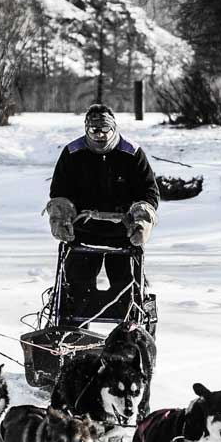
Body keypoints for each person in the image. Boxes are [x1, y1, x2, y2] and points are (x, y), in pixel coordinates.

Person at [44, 104, 159, 317]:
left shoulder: (131, 153)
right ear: (86, 130)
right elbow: (59, 191)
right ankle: (72, 334)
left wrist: (142, 220)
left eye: (105, 130)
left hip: (124, 234)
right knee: (75, 293)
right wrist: (60, 217)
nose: (100, 135)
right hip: (82, 234)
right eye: (94, 130)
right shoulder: (72, 153)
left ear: (114, 128)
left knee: (127, 293)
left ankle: (128, 333)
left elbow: (149, 192)